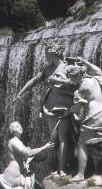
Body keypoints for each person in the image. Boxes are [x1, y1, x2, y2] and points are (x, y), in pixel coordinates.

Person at [14, 41, 78, 176]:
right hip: (49, 107)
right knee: (54, 139)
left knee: (63, 137)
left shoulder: (67, 68)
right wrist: (20, 93)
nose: (45, 56)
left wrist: (60, 82)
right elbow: (33, 81)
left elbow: (76, 83)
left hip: (64, 107)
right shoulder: (47, 69)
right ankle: (56, 167)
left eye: (47, 53)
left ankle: (62, 170)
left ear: (54, 53)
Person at [65, 60, 102, 182]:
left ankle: (80, 175)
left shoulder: (82, 88)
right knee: (99, 145)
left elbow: (77, 108)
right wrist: (84, 61)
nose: (72, 81)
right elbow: (98, 69)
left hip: (94, 116)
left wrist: (69, 112)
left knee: (82, 143)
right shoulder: (97, 77)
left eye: (72, 78)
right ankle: (101, 175)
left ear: (77, 76)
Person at [0, 121, 54, 189]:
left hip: (13, 172)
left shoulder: (15, 141)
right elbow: (27, 153)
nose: (20, 127)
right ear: (12, 130)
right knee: (30, 177)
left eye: (20, 125)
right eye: (17, 126)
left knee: (36, 185)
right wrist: (44, 147)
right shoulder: (14, 141)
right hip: (16, 174)